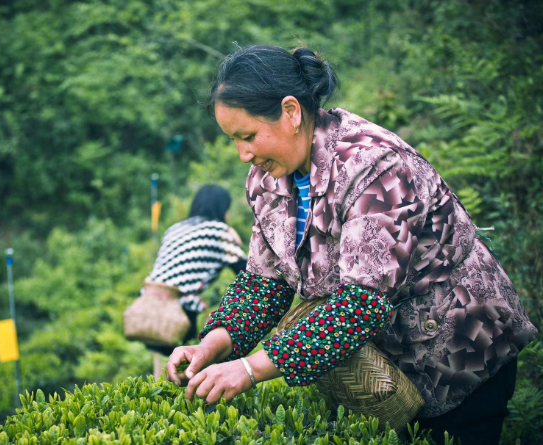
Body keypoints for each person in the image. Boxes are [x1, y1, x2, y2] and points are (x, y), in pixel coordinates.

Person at [165, 45, 538, 445]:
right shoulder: (268, 181)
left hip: (461, 353)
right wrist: (212, 344)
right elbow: (264, 283)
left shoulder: (374, 167)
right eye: (233, 140)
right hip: (384, 372)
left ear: (291, 112)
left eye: (249, 136)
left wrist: (251, 369)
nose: (243, 154)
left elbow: (362, 304)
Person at [143, 184, 247, 377]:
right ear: (222, 208)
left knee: (165, 367)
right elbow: (248, 273)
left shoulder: (175, 228)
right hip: (180, 308)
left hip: (148, 305)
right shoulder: (219, 230)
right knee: (188, 363)